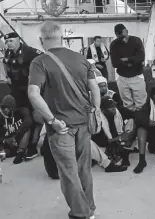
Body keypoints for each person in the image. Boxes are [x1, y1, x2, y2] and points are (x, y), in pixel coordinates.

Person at [28, 21, 101, 219]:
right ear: (62, 38)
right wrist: (96, 111)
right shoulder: (81, 58)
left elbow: (33, 94)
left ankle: (80, 214)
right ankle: (90, 210)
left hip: (60, 127)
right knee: (83, 169)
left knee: (69, 173)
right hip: (83, 122)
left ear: (42, 40)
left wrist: (52, 121)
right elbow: (94, 89)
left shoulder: (39, 62)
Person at [3, 32, 43, 159]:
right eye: (7, 41)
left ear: (18, 40)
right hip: (16, 90)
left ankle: (32, 146)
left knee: (35, 119)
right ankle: (20, 145)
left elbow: (43, 61)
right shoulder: (8, 52)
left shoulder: (30, 52)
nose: (8, 44)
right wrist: (7, 77)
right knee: (23, 117)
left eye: (11, 41)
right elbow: (6, 63)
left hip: (30, 89)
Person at [110, 23, 147, 112]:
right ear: (116, 35)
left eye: (124, 36)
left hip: (136, 76)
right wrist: (132, 62)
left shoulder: (136, 41)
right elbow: (115, 63)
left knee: (141, 104)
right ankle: (130, 122)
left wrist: (126, 59)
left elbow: (141, 58)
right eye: (120, 37)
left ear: (126, 31)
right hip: (122, 78)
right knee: (127, 105)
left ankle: (141, 122)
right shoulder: (114, 44)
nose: (123, 39)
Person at [0, 95, 33, 164]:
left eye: (7, 107)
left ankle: (21, 152)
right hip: (7, 143)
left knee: (27, 129)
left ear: (12, 107)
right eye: (3, 107)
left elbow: (28, 122)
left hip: (18, 139)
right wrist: (3, 143)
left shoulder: (21, 111)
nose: (5, 109)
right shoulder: (1, 117)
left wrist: (15, 136)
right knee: (4, 153)